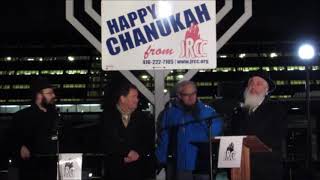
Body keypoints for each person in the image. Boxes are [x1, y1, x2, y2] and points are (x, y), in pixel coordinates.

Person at [156, 81, 223, 180]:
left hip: (202, 164)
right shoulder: (170, 114)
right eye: (187, 95)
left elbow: (216, 132)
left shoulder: (207, 111)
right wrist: (160, 159)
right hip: (179, 165)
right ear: (179, 95)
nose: (191, 98)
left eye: (193, 94)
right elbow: (164, 138)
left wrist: (199, 115)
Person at [231, 72, 287, 180]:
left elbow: (278, 136)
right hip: (241, 167)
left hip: (267, 168)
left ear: (266, 90)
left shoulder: (276, 109)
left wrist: (252, 143)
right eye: (250, 83)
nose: (253, 86)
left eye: (258, 84)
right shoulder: (238, 111)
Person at [100, 82, 154, 180]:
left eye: (137, 97)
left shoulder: (142, 118)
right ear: (123, 98)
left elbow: (148, 140)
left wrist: (138, 154)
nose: (137, 100)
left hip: (138, 170)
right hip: (115, 171)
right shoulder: (107, 117)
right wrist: (126, 154)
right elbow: (106, 140)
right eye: (133, 97)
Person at [11, 77, 59, 180]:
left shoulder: (56, 115)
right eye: (49, 93)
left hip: (53, 169)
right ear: (39, 95)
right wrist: (20, 147)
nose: (54, 96)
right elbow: (10, 138)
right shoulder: (21, 116)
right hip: (31, 171)